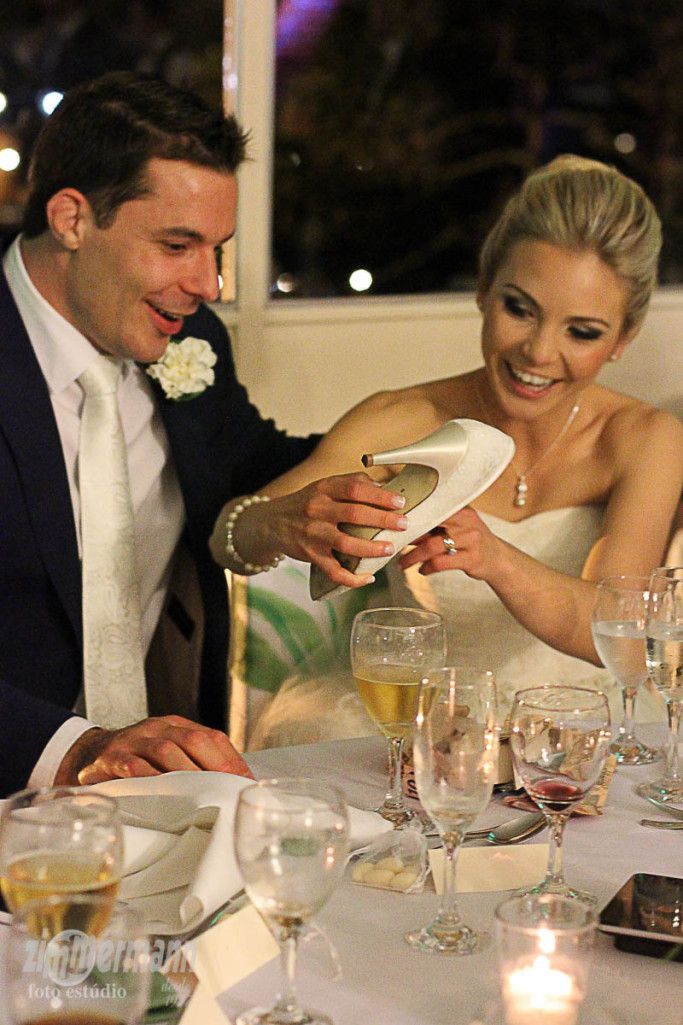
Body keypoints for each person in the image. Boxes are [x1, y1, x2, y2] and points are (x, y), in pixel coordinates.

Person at [0, 71, 408, 797]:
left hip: (157, 794)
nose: (208, 283)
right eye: (178, 244)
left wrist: (404, 470)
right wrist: (78, 749)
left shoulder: (190, 340)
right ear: (71, 219)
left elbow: (255, 461)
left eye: (216, 248)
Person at [246, 155, 683, 743]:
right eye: (519, 309)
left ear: (623, 339)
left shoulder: (645, 438)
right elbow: (239, 535)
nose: (537, 352)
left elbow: (618, 633)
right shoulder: (400, 418)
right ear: (482, 289)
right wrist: (293, 521)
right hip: (410, 723)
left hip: (571, 731)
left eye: (581, 332)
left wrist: (494, 559)